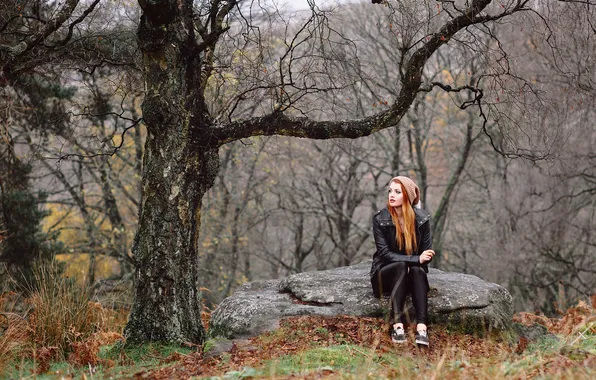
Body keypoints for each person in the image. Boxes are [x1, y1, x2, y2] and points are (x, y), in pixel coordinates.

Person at [370, 176, 435, 346]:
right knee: (400, 265)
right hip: (384, 274)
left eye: (397, 192)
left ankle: (422, 328)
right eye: (390, 191)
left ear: (407, 196)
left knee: (418, 270)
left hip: (411, 275)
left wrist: (419, 261)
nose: (391, 195)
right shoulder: (380, 219)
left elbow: (425, 257)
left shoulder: (422, 220)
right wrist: (415, 259)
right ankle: (397, 325)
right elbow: (384, 254)